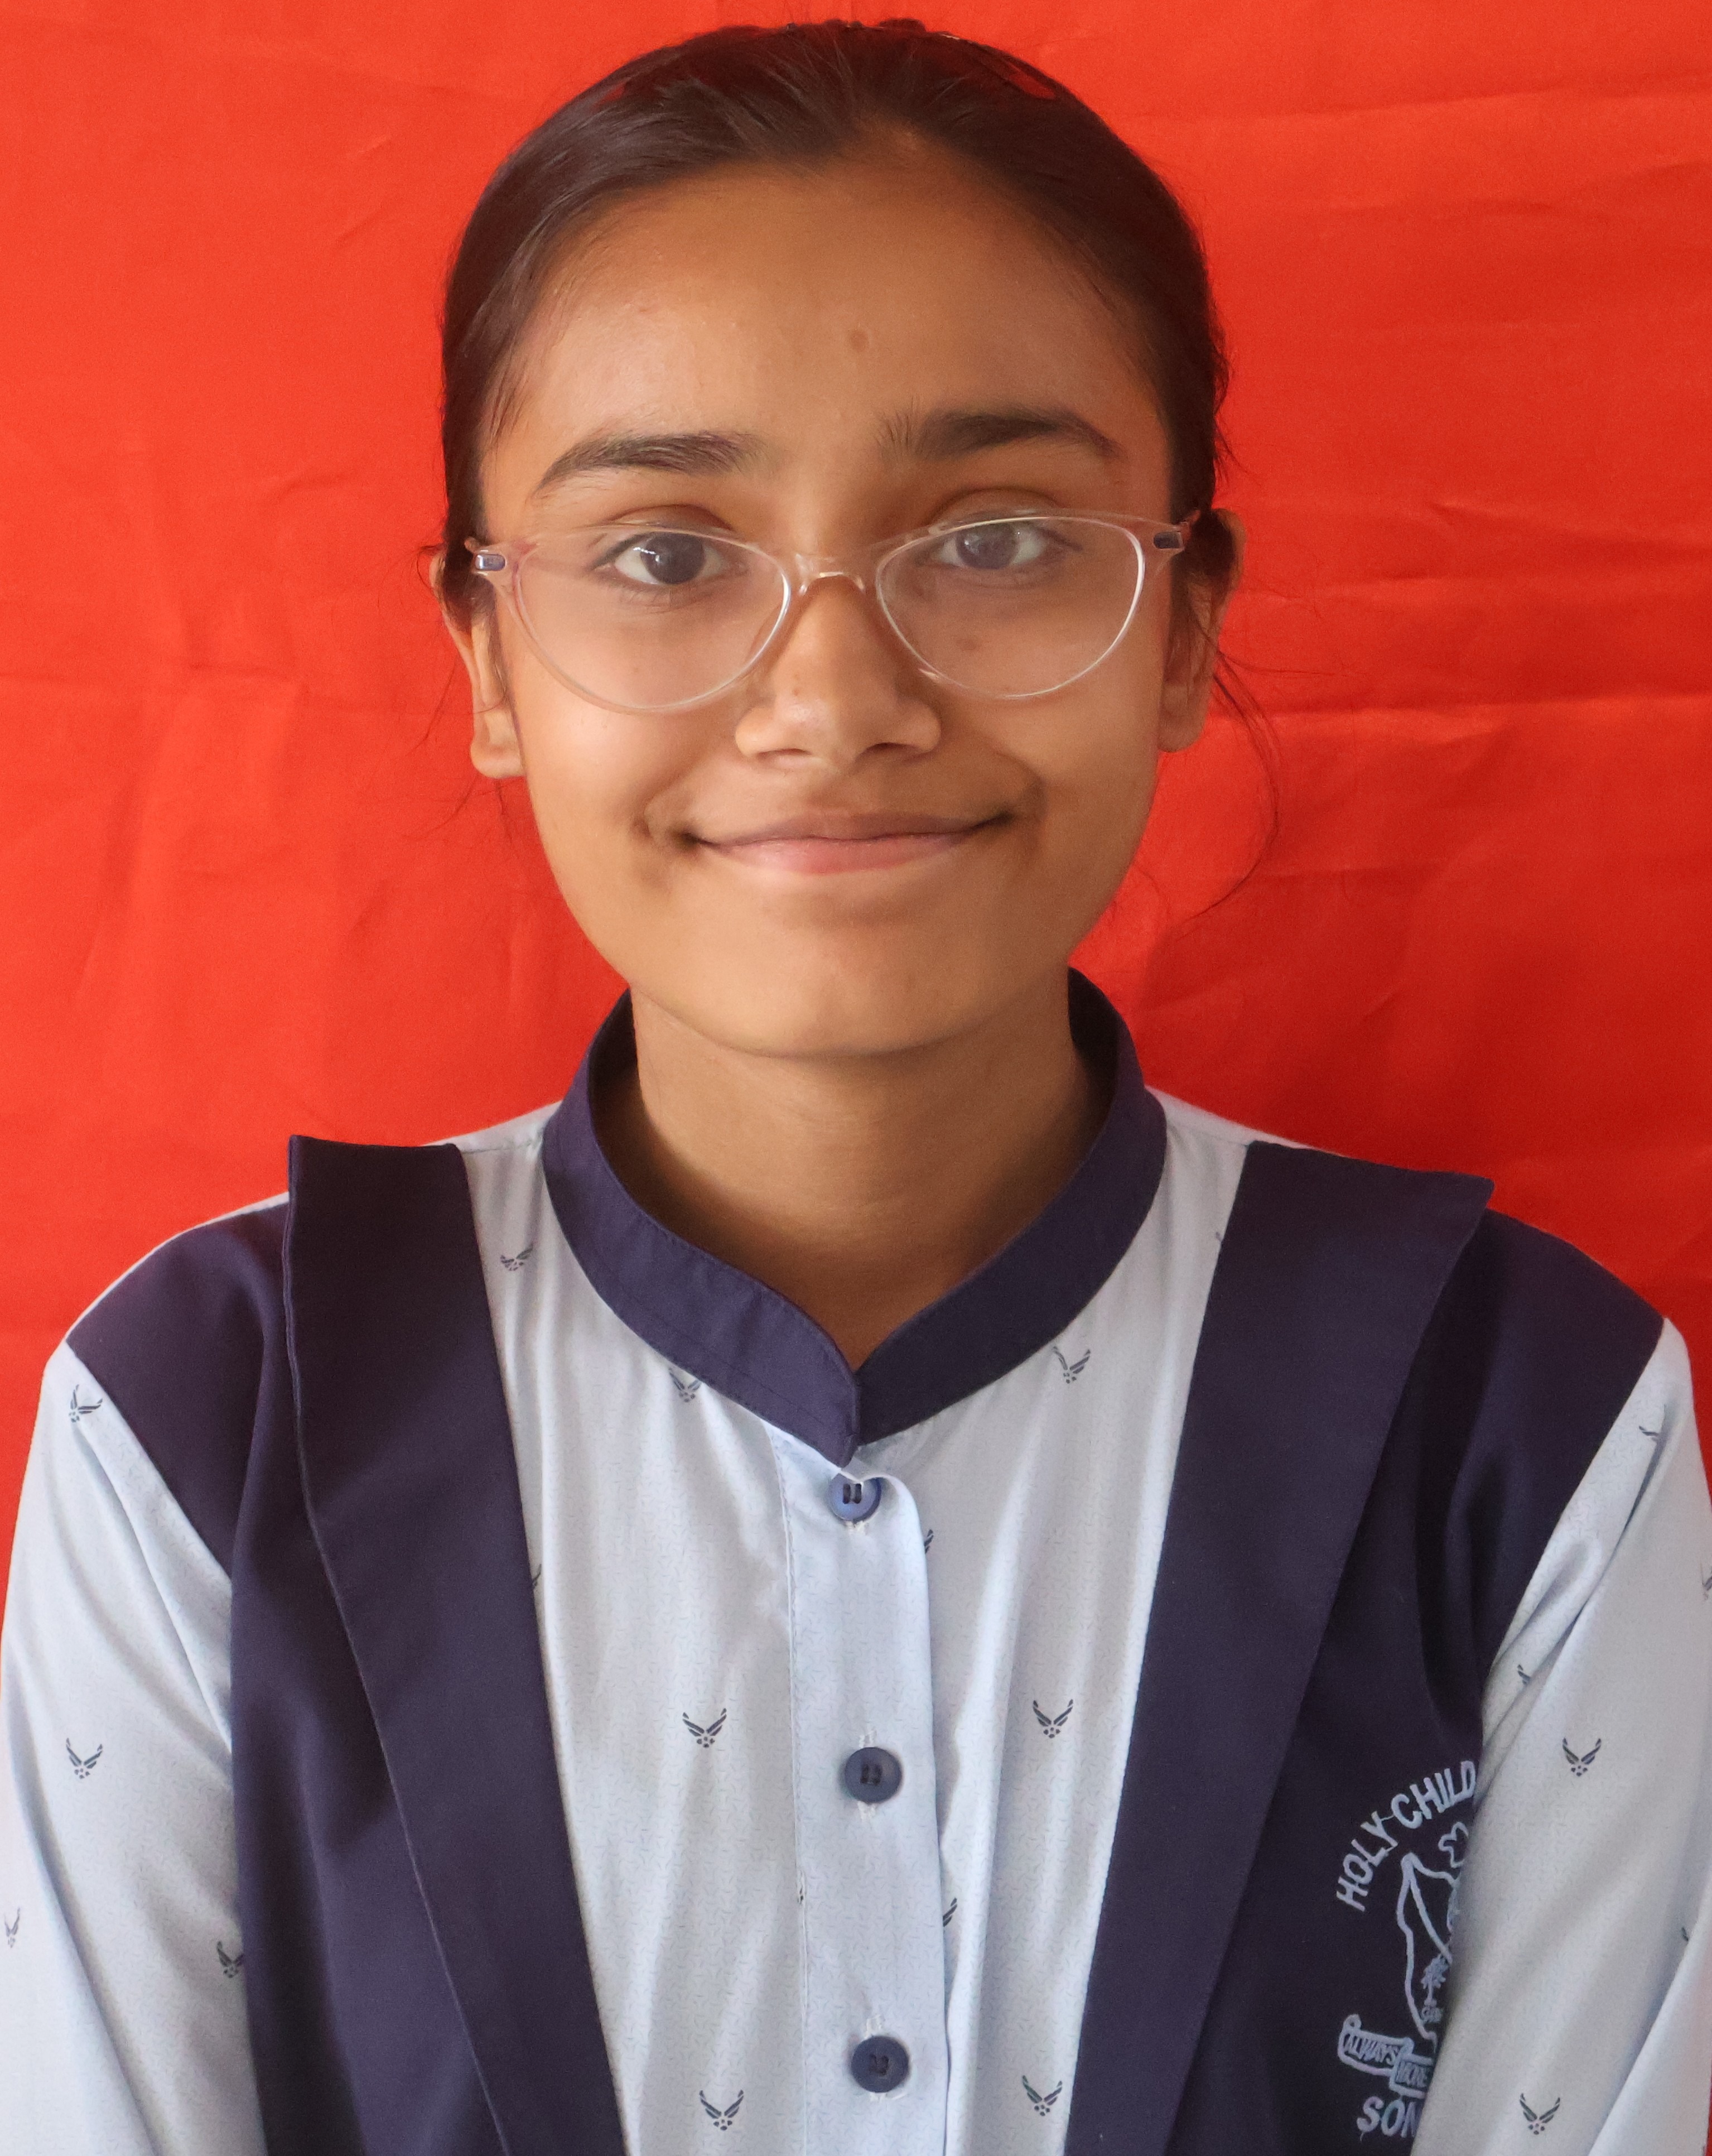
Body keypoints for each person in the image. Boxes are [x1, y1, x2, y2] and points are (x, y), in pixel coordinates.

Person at [2, 20, 1708, 2155]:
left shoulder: (1525, 1418)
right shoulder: (205, 1415)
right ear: (487, 658)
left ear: (1184, 627)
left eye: (996, 540)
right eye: (662, 551)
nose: (832, 698)